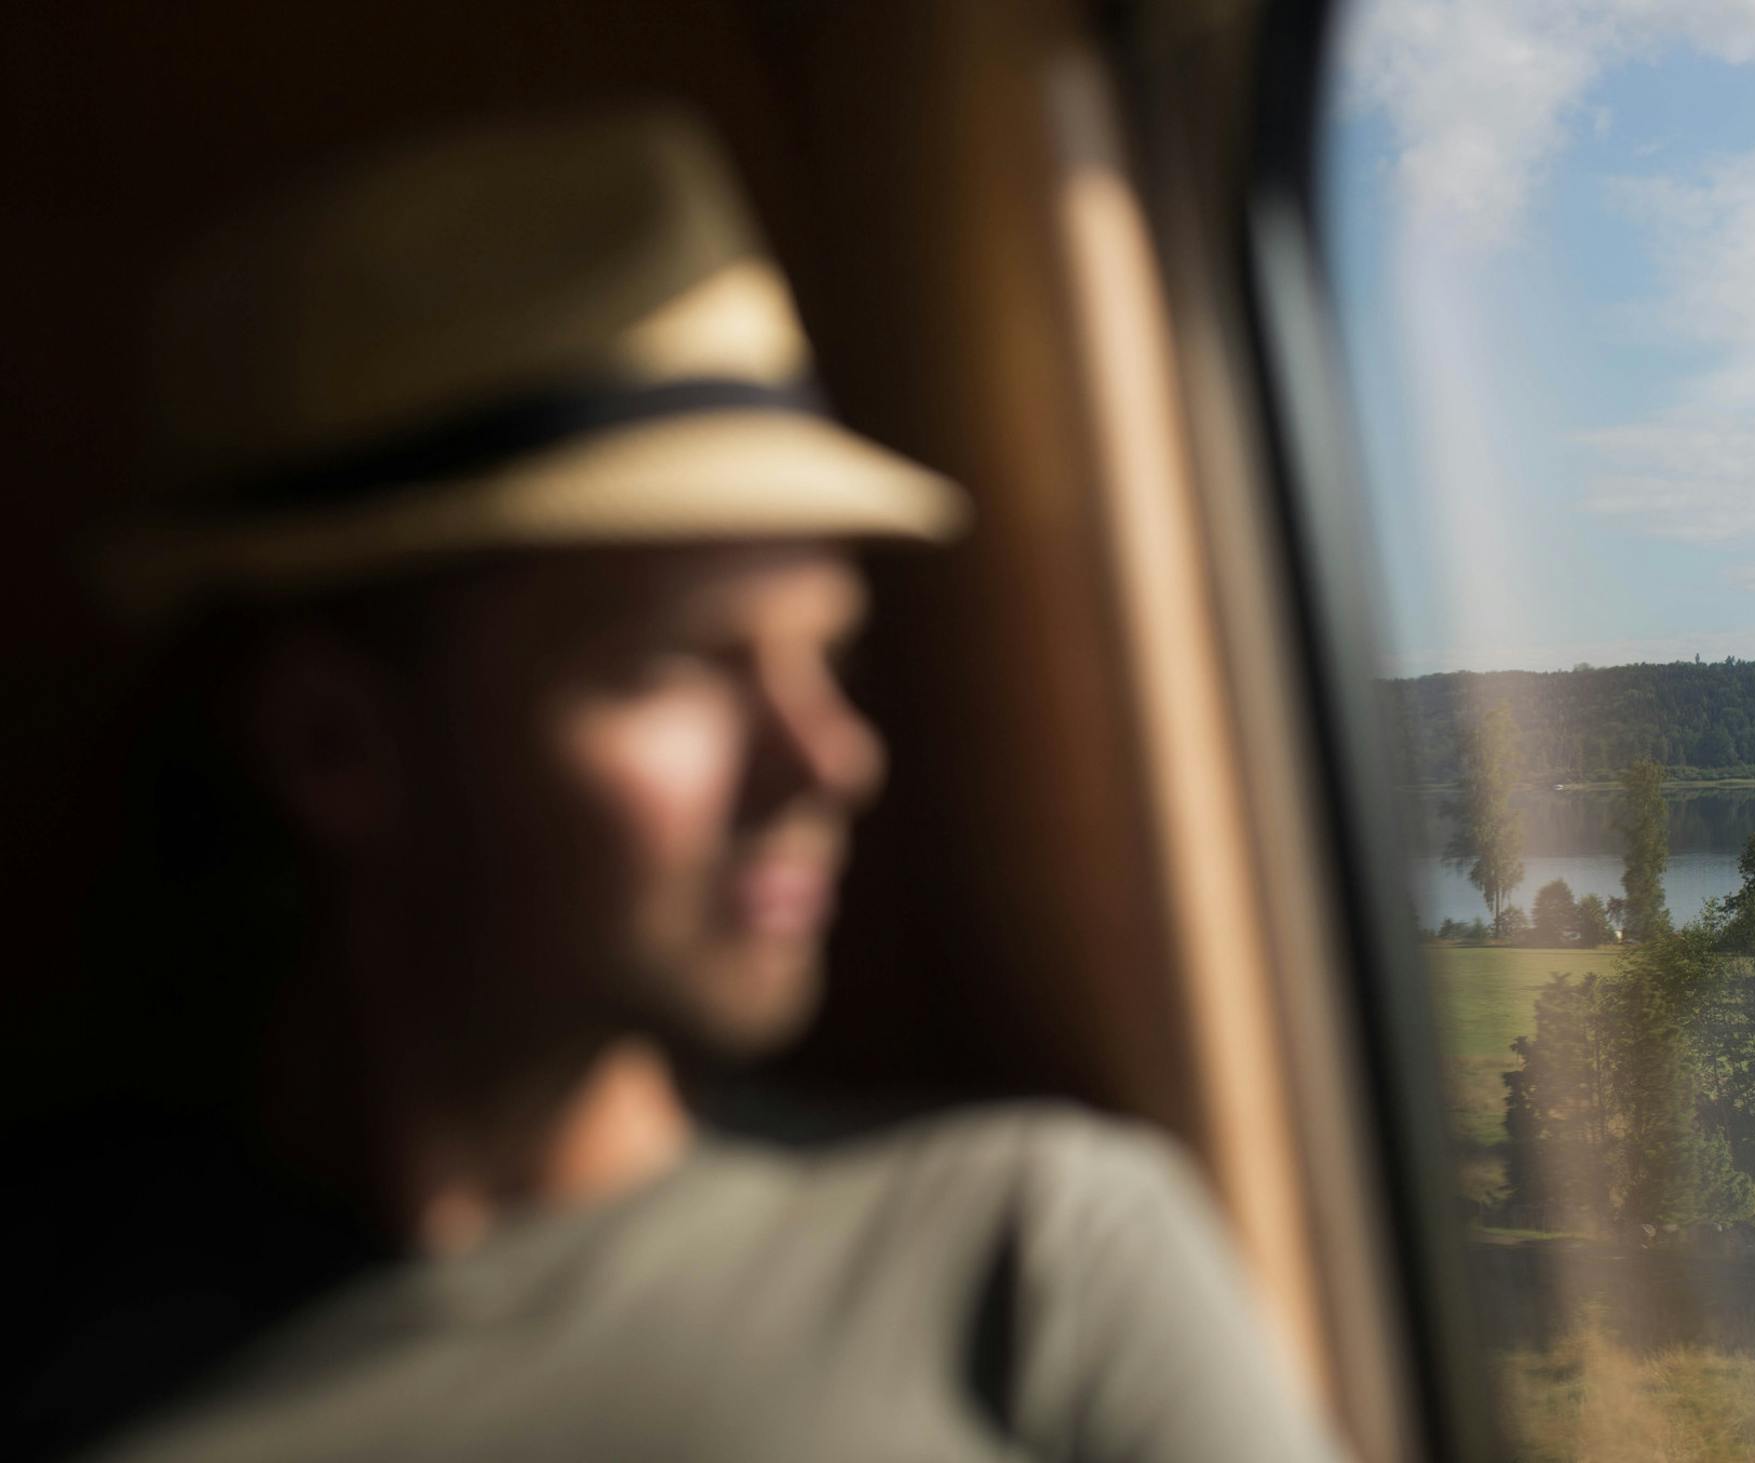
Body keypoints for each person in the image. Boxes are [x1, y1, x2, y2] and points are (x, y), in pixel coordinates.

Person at [16, 108, 1345, 1462]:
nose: (831, 756)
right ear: (331, 746)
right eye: (681, 667)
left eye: (828, 654)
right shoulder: (65, 1366)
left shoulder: (1024, 1258)